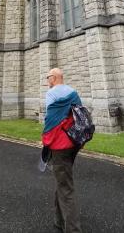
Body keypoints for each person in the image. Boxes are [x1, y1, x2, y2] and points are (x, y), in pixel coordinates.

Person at [42, 68, 82, 233]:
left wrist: (46, 140)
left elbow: (50, 122)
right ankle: (58, 223)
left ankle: (73, 229)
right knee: (62, 182)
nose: (47, 80)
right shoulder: (73, 92)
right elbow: (80, 114)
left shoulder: (51, 94)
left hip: (59, 146)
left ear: (55, 78)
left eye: (48, 77)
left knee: (66, 188)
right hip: (73, 143)